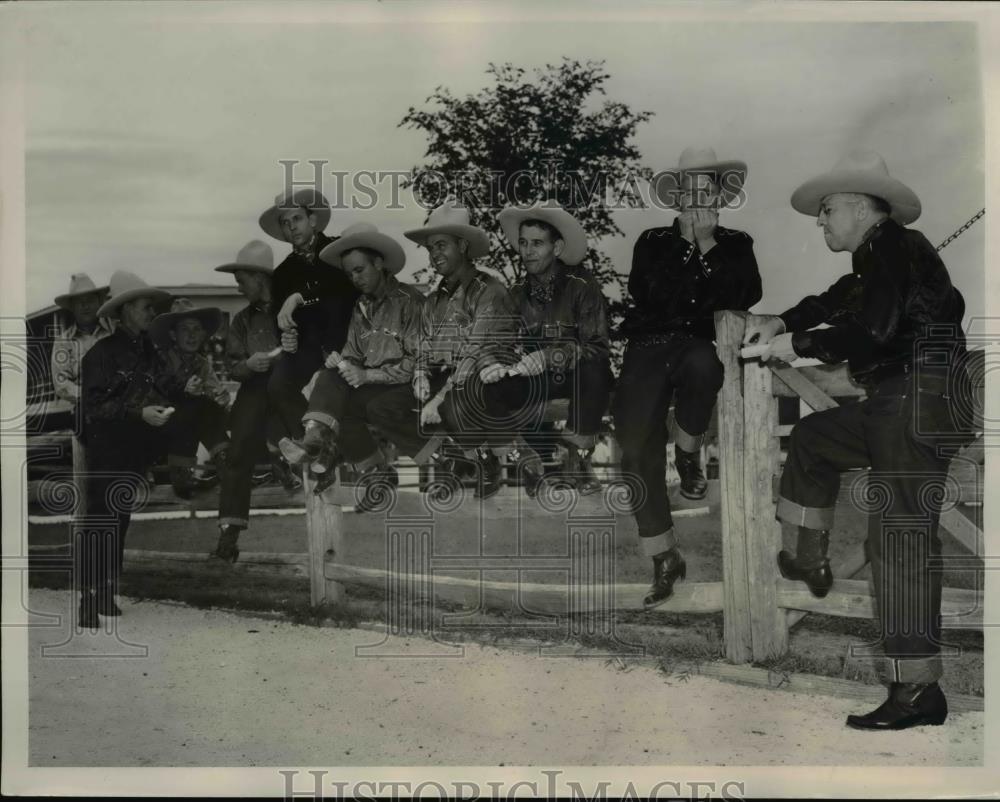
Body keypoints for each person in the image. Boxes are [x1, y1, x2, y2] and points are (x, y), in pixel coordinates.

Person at [745, 149, 971, 731]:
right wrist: (783, 322)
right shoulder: (879, 257)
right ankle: (810, 560)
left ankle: (918, 693)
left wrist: (798, 347)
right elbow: (839, 299)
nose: (818, 222)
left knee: (898, 539)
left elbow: (870, 330)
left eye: (825, 211)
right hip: (895, 402)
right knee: (818, 436)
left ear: (860, 208)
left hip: (919, 399)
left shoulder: (896, 246)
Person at [616, 147, 762, 608]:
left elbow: (745, 293)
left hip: (698, 345)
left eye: (707, 189)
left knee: (703, 366)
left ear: (721, 196)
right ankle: (663, 556)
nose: (698, 198)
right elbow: (649, 294)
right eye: (689, 190)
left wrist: (708, 246)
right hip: (648, 346)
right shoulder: (652, 240)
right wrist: (687, 246)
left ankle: (688, 451)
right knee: (636, 451)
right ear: (675, 197)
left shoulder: (736, 242)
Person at [366, 200, 517, 499]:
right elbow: (424, 345)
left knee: (454, 402)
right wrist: (421, 374)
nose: (435, 253)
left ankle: (486, 463)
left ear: (462, 245)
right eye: (430, 247)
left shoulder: (490, 290)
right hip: (445, 376)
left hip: (485, 377)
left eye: (442, 245)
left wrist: (437, 397)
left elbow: (476, 352)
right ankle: (452, 457)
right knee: (380, 407)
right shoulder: (435, 299)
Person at [279, 223, 425, 510]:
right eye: (349, 274)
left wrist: (365, 373)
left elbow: (417, 363)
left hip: (410, 385)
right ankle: (317, 438)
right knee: (330, 377)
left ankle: (329, 449)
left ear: (379, 263)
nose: (355, 279)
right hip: (373, 386)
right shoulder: (360, 307)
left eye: (360, 270)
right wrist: (343, 362)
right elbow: (354, 353)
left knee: (347, 401)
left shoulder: (411, 302)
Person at [478, 201, 613, 496]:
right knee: (485, 384)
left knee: (596, 370)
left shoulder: (583, 285)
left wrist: (551, 355)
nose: (527, 251)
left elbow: (598, 347)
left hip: (578, 377)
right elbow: (496, 340)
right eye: (523, 243)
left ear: (558, 247)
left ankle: (577, 458)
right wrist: (492, 362)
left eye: (537, 243)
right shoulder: (515, 294)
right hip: (536, 380)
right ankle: (524, 459)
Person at [77, 271, 173, 628]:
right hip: (105, 448)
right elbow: (94, 408)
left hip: (133, 448)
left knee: (119, 519)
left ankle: (105, 590)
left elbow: (160, 387)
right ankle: (88, 596)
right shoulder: (100, 355)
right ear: (127, 309)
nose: (151, 312)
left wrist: (164, 402)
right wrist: (139, 413)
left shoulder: (149, 351)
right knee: (100, 518)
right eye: (146, 306)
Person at [257, 187, 360, 469]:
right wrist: (286, 338)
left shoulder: (339, 249)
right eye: (285, 223)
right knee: (278, 383)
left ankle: (322, 445)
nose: (291, 227)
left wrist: (300, 296)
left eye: (297, 219)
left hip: (348, 342)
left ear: (313, 220)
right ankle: (317, 445)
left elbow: (342, 289)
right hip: (308, 349)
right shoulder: (281, 274)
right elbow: (282, 321)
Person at [210, 240, 282, 562]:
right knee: (238, 447)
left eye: (241, 281)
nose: (238, 287)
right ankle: (230, 532)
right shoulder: (241, 321)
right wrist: (248, 366)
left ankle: (274, 463)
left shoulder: (291, 309)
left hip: (287, 387)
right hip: (254, 388)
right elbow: (234, 367)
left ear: (258, 277)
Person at [149, 298, 231, 499]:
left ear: (203, 334)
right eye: (185, 329)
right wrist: (183, 391)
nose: (192, 335)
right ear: (173, 335)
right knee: (194, 405)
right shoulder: (159, 360)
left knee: (209, 406)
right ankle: (182, 473)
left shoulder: (202, 364)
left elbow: (215, 391)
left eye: (196, 329)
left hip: (187, 434)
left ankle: (226, 462)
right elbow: (155, 393)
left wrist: (221, 397)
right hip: (157, 435)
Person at [49, 273, 114, 404]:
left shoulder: (113, 331)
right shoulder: (63, 342)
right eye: (79, 302)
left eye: (90, 300)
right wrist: (91, 398)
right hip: (86, 410)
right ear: (72, 307)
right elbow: (62, 383)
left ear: (99, 302)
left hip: (122, 408)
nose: (85, 305)